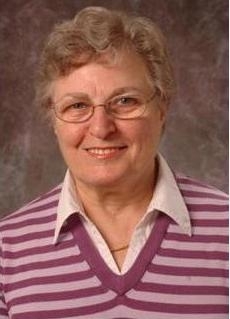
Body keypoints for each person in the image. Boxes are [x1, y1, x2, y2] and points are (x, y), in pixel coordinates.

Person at [0, 6, 228, 319]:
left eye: (125, 101)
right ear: (53, 119)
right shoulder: (7, 250)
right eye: (77, 105)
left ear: (162, 108)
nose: (101, 128)